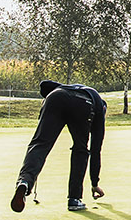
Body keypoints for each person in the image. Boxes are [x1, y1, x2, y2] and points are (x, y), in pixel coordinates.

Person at [11, 80, 108, 212]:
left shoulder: (68, 88)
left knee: (40, 144)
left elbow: (44, 84)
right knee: (81, 149)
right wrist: (94, 183)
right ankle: (74, 199)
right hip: (84, 103)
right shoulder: (99, 106)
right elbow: (96, 149)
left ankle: (25, 182)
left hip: (55, 97)